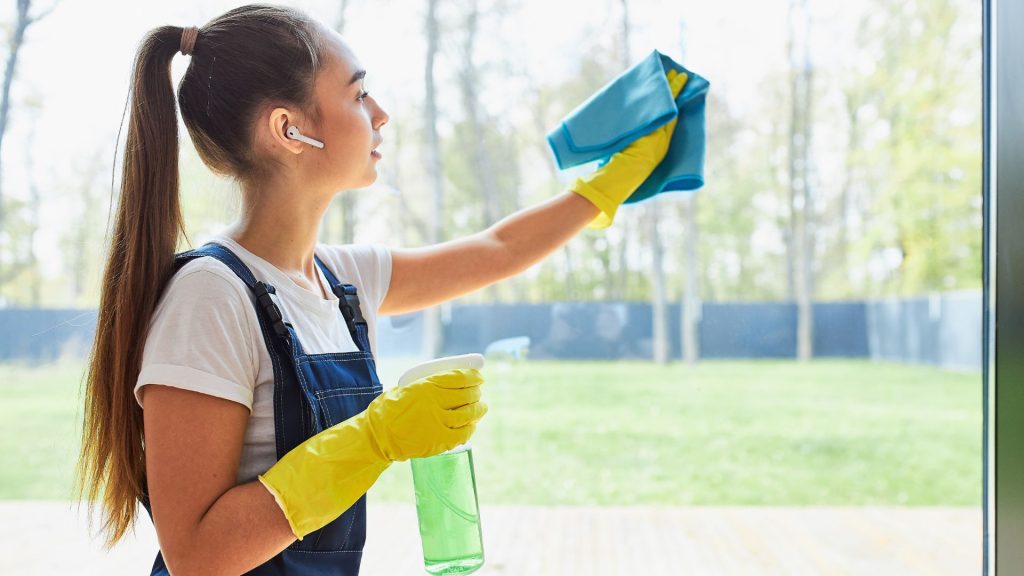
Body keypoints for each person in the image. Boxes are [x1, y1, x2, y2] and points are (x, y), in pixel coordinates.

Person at [73, 4, 685, 575]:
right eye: (359, 93)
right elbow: (198, 556)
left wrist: (608, 186)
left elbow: (497, 251)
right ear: (289, 130)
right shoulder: (211, 297)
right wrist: (374, 438)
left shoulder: (340, 282)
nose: (381, 113)